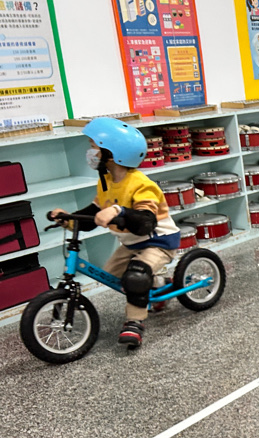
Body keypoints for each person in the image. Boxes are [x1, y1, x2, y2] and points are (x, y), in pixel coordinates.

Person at [51, 118, 180, 349]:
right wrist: (68, 219)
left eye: (94, 147)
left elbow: (145, 222)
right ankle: (158, 283)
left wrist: (119, 211)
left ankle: (135, 322)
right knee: (111, 276)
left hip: (157, 241)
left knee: (135, 277)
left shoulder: (141, 184)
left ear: (112, 153)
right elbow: (94, 213)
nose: (90, 153)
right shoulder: (106, 181)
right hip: (132, 243)